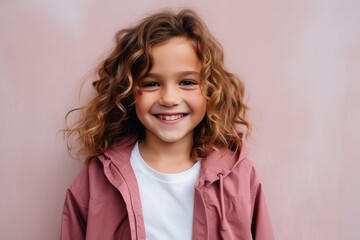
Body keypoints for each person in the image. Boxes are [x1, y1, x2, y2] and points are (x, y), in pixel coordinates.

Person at [61, 8, 274, 240]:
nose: (170, 99)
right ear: (129, 92)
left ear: (211, 90)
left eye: (187, 82)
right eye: (151, 84)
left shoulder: (239, 175)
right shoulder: (98, 178)